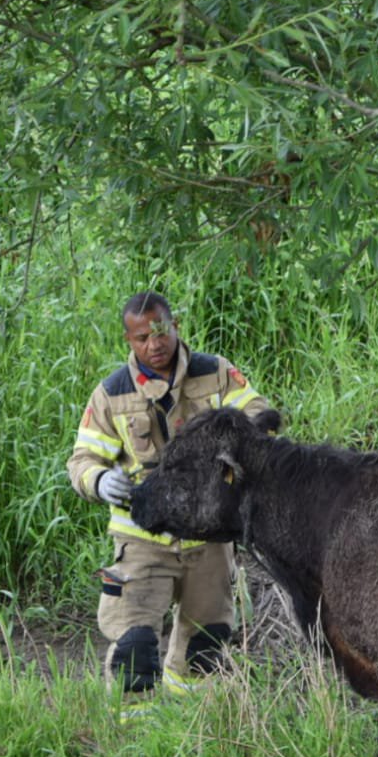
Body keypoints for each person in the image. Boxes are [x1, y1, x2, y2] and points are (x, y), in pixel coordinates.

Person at [66, 291, 274, 701]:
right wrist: (100, 480)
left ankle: (190, 728)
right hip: (141, 539)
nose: (154, 344)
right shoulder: (111, 393)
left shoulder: (215, 373)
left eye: (160, 332)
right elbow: (82, 460)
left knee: (206, 649)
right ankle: (133, 739)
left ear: (175, 324)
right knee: (135, 648)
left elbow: (257, 414)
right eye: (142, 337)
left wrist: (235, 446)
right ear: (129, 340)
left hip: (209, 538)